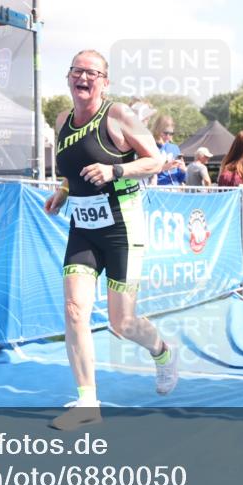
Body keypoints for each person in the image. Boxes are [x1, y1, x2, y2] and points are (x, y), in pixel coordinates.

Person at [43, 49, 177, 431]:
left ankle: (162, 353)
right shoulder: (62, 120)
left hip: (122, 225)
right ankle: (88, 402)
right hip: (83, 226)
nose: (83, 78)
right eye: (77, 71)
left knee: (122, 322)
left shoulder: (118, 115)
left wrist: (114, 168)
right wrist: (62, 193)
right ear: (68, 77)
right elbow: (73, 173)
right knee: (74, 309)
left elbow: (155, 160)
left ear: (105, 81)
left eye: (92, 73)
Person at [151, 115, 186, 186]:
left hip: (175, 189)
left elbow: (181, 178)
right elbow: (146, 172)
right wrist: (164, 167)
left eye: (171, 133)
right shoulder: (151, 147)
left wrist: (183, 170)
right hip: (158, 189)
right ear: (157, 130)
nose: (168, 136)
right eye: (166, 133)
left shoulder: (175, 148)